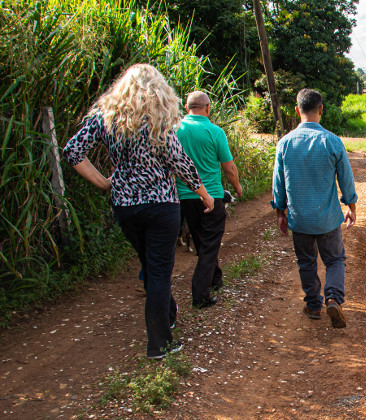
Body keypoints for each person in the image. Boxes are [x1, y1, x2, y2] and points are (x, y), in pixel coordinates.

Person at [63, 63, 215, 360]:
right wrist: (205, 195)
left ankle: (168, 312)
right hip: (160, 205)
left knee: (149, 264)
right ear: (158, 89)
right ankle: (159, 344)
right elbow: (179, 162)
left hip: (125, 206)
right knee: (159, 273)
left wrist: (105, 183)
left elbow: (72, 151)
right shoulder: (158, 120)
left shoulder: (105, 118)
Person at [271, 88, 358, 328]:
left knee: (306, 262)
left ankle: (312, 305)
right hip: (328, 218)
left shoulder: (285, 143)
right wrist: (351, 206)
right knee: (335, 260)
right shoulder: (332, 141)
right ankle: (333, 299)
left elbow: (278, 183)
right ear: (321, 110)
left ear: (297, 110)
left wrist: (280, 212)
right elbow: (346, 179)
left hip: (299, 220)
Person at [175, 91, 242, 309]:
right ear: (208, 108)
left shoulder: (175, 130)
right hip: (211, 196)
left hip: (185, 196)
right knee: (210, 245)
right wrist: (237, 187)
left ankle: (215, 278)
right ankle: (200, 295)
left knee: (202, 240)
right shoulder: (215, 132)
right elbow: (229, 167)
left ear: (187, 108)